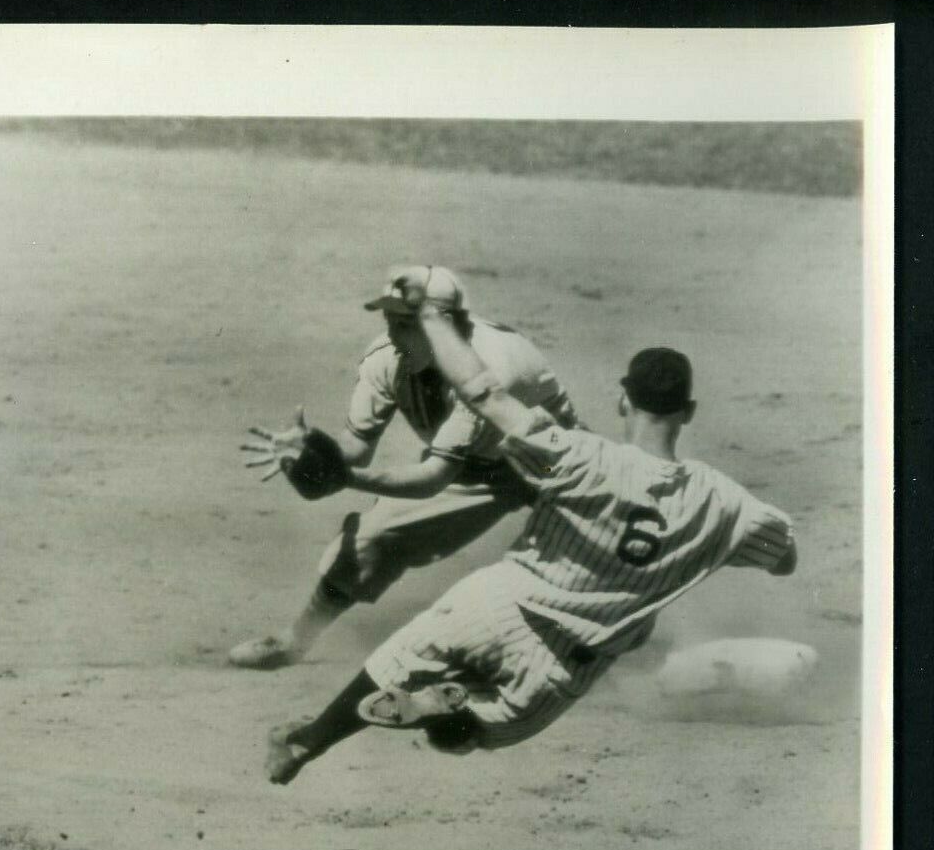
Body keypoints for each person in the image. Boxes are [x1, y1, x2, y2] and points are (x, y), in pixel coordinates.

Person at [265, 269, 797, 783]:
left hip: (490, 604)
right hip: (561, 663)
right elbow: (784, 558)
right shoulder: (724, 503)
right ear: (689, 411)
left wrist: (430, 313)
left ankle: (308, 741)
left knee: (397, 661)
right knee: (475, 732)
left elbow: (481, 391)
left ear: (622, 399)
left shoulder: (578, 456)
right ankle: (439, 710)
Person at [233, 263, 579, 669]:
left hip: (561, 465)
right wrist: (312, 451)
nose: (394, 335)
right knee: (373, 534)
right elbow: (356, 448)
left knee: (595, 565)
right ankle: (295, 640)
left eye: (406, 323)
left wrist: (343, 478)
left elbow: (432, 479)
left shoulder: (489, 371)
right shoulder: (385, 358)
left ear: (443, 324)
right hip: (477, 468)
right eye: (390, 320)